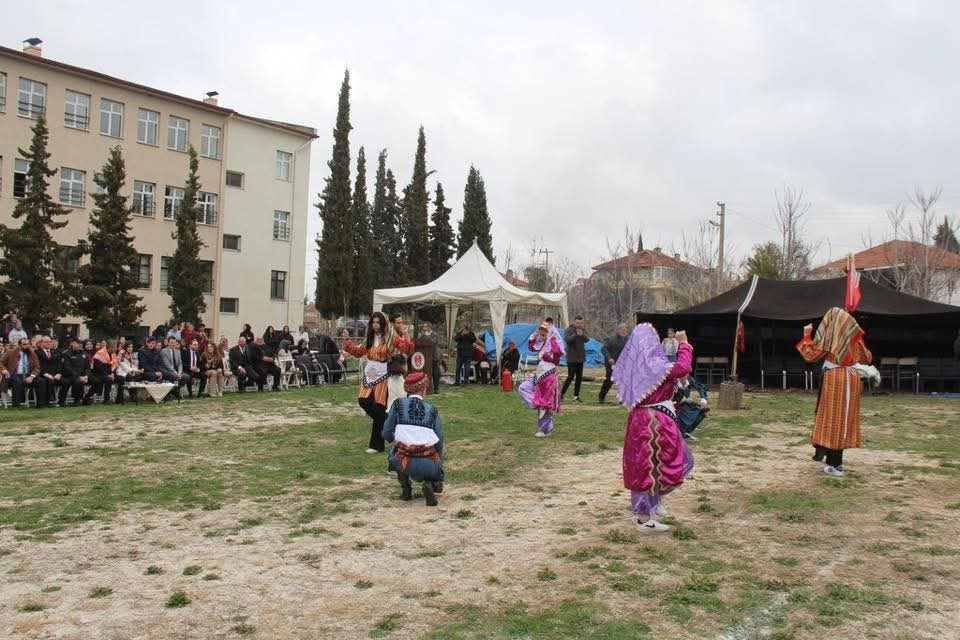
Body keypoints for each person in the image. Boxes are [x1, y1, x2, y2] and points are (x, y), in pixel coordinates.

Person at [613, 324, 695, 532]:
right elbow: (681, 367)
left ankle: (653, 504)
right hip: (651, 422)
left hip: (648, 419)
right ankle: (643, 517)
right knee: (648, 465)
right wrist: (684, 345)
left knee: (653, 464)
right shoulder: (651, 365)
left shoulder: (644, 366)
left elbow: (675, 376)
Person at [796, 307, 873, 477]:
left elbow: (810, 356)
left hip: (836, 379)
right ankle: (832, 461)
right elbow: (867, 358)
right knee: (843, 419)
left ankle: (836, 464)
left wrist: (806, 336)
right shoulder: (853, 337)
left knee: (835, 419)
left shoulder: (832, 338)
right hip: (852, 378)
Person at [342, 311, 414, 453]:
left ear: (383, 324)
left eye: (377, 322)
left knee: (379, 407)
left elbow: (407, 349)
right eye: (373, 322)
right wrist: (347, 341)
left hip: (383, 374)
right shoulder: (369, 337)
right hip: (369, 373)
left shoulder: (391, 338)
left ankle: (376, 445)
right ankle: (389, 424)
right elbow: (358, 352)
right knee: (363, 400)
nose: (375, 325)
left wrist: (406, 334)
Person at [383, 372, 445, 506]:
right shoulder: (432, 410)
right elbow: (439, 441)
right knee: (436, 453)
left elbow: (386, 432)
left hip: (404, 462)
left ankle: (406, 489)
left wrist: (396, 441)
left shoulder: (398, 405)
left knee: (395, 451)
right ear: (423, 389)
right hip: (428, 463)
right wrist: (439, 460)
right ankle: (431, 483)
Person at [518, 321, 564, 437]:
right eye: (541, 335)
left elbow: (557, 354)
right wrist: (535, 335)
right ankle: (535, 403)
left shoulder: (554, 344)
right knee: (523, 388)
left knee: (545, 405)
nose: (542, 337)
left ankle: (545, 429)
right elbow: (532, 346)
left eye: (544, 335)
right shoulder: (544, 345)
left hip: (548, 377)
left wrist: (553, 340)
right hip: (539, 375)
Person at [1, 337, 40, 407]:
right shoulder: (10, 352)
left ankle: (41, 404)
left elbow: (37, 367)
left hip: (28, 375)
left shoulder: (32, 353)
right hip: (13, 374)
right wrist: (4, 369)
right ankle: (16, 405)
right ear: (19, 345)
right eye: (24, 344)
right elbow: (0, 362)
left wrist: (32, 376)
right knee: (17, 381)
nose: (27, 346)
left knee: (42, 381)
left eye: (28, 344)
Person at [599, 323, 630, 403]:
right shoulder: (611, 339)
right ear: (618, 330)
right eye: (622, 330)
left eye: (625, 330)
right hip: (612, 364)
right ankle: (601, 396)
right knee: (609, 380)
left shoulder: (628, 340)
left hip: (623, 364)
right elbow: (604, 349)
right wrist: (609, 358)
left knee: (623, 381)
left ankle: (622, 399)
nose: (624, 332)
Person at [561, 316, 589, 403]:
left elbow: (587, 340)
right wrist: (575, 334)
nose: (579, 325)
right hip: (572, 358)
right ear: (574, 322)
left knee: (579, 378)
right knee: (570, 377)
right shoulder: (569, 330)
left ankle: (576, 397)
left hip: (580, 359)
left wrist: (582, 334)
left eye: (581, 323)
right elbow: (567, 340)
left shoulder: (582, 329)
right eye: (578, 323)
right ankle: (561, 394)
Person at [674, 375, 709, 440]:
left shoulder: (690, 379)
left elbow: (701, 387)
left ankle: (685, 431)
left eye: (686, 373)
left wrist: (703, 401)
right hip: (670, 406)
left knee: (703, 410)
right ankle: (679, 432)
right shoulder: (672, 381)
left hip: (682, 404)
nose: (684, 376)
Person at [60, 338, 91, 406]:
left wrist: (86, 375)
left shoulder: (84, 353)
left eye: (80, 344)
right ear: (72, 343)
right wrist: (79, 376)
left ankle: (84, 399)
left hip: (82, 376)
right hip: (69, 375)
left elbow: (87, 367)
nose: (80, 345)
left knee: (96, 381)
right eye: (78, 343)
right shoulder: (66, 353)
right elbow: (67, 368)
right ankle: (70, 401)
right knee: (76, 381)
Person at [36, 336, 63, 408]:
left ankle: (61, 402)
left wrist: (59, 373)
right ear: (41, 343)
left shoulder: (55, 352)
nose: (48, 343)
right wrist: (45, 374)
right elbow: (38, 365)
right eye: (46, 342)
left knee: (67, 381)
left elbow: (59, 364)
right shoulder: (37, 352)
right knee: (48, 381)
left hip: (55, 374)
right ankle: (47, 402)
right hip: (42, 374)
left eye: (50, 342)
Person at [421, 321, 442, 394]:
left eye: (425, 326)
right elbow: (420, 342)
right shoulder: (423, 335)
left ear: (429, 327)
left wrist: (426, 336)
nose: (423, 328)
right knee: (426, 373)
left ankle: (436, 388)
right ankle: (427, 388)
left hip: (434, 357)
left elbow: (433, 342)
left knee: (436, 373)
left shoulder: (434, 334)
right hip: (426, 357)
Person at [454, 321, 476, 386]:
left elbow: (473, 339)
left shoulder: (471, 333)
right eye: (463, 325)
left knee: (467, 368)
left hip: (468, 354)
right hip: (460, 353)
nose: (464, 327)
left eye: (465, 325)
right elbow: (456, 339)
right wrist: (462, 335)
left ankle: (466, 381)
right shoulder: (459, 333)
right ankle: (457, 381)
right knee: (458, 368)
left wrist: (468, 334)